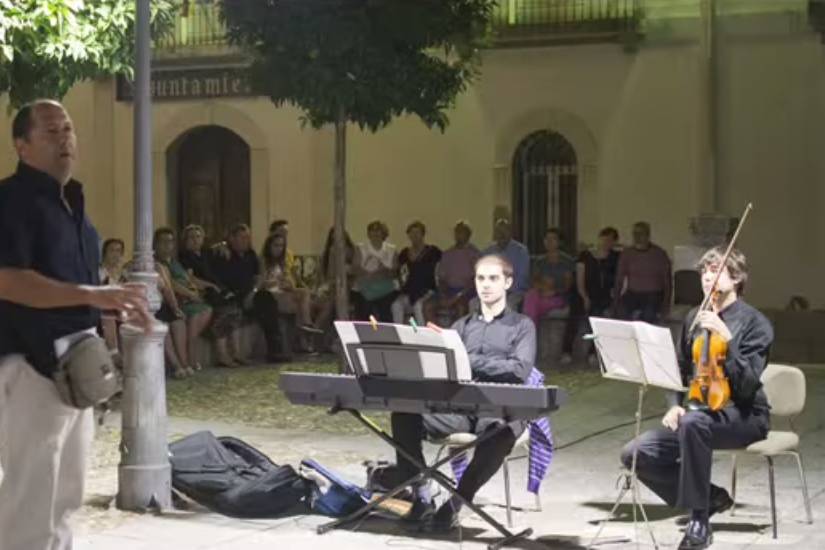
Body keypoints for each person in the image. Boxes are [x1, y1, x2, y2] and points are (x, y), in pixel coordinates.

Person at [0, 99, 150, 550]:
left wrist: (113, 306)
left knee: (66, 495)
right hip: (30, 365)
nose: (65, 138)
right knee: (31, 496)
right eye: (51, 131)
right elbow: (8, 279)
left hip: (77, 370)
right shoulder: (11, 200)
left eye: (68, 129)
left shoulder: (78, 209)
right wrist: (93, 295)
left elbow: (78, 290)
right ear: (21, 145)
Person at [620, 246, 772, 550]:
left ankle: (698, 520)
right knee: (635, 453)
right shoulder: (694, 318)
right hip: (697, 414)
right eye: (704, 271)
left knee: (695, 422)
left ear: (737, 277)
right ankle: (711, 496)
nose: (707, 277)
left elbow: (746, 386)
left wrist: (728, 342)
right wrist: (675, 406)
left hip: (743, 416)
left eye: (715, 270)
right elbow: (678, 371)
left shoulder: (756, 323)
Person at [391, 254, 536, 531]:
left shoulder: (522, 326)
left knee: (501, 431)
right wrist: (430, 349)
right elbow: (447, 368)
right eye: (480, 278)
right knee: (403, 414)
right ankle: (422, 495)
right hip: (460, 408)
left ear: (508, 282)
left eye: (493, 278)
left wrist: (467, 360)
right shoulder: (462, 326)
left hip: (500, 408)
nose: (486, 285)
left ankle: (456, 502)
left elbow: (519, 369)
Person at [179, 224, 245, 365]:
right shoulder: (185, 256)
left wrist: (223, 245)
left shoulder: (205, 253)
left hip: (216, 289)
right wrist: (210, 285)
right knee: (224, 312)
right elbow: (190, 279)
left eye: (198, 237)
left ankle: (236, 352)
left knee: (236, 309)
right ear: (185, 240)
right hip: (204, 290)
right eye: (191, 237)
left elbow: (218, 246)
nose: (195, 240)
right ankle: (222, 355)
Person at [153, 227, 214, 371]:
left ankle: (188, 360)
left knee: (205, 311)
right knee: (194, 315)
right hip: (176, 300)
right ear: (155, 244)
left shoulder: (174, 261)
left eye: (170, 242)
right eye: (163, 242)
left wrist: (208, 286)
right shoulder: (157, 263)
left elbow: (188, 278)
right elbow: (171, 285)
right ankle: (186, 361)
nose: (167, 245)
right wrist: (191, 295)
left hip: (185, 299)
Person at [259, 233, 322, 348]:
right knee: (299, 305)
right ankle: (304, 335)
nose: (279, 249)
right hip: (269, 295)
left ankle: (306, 324)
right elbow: (261, 283)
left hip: (283, 292)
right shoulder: (263, 261)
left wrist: (288, 284)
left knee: (304, 292)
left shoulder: (281, 262)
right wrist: (275, 282)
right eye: (276, 245)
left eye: (281, 246)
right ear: (269, 246)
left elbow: (290, 283)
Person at [523, 228, 575, 359]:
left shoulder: (566, 261)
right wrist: (544, 287)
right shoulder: (539, 261)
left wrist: (553, 290)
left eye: (553, 239)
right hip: (541, 296)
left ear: (559, 242)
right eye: (547, 239)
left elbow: (567, 285)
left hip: (558, 297)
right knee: (532, 296)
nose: (549, 242)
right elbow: (534, 281)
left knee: (531, 303)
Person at [571, 226, 620, 365]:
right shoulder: (585, 256)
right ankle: (567, 350)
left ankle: (594, 352)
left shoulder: (615, 258)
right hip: (584, 292)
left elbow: (619, 278)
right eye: (604, 239)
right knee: (576, 311)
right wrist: (585, 296)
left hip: (603, 295)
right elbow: (580, 279)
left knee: (601, 313)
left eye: (611, 240)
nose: (606, 242)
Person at [614, 221, 672, 324]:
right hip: (633, 293)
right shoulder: (627, 254)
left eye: (641, 233)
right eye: (635, 234)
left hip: (653, 294)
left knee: (648, 315)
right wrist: (616, 300)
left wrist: (666, 304)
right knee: (622, 311)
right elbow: (619, 278)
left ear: (648, 235)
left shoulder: (659, 254)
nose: (637, 237)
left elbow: (667, 281)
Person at [425, 220, 479, 323]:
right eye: (457, 232)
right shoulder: (447, 254)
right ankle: (437, 336)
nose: (459, 235)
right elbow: (441, 279)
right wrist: (443, 294)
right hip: (448, 290)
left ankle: (457, 337)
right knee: (428, 306)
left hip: (466, 292)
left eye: (462, 232)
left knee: (460, 308)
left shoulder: (474, 254)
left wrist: (456, 297)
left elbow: (474, 281)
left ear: (468, 235)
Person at [391, 220, 441, 325]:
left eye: (417, 233)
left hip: (427, 291)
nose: (414, 235)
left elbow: (441, 269)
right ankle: (399, 335)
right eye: (411, 233)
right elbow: (398, 270)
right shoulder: (404, 253)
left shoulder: (432, 251)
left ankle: (421, 336)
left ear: (423, 234)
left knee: (418, 306)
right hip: (408, 291)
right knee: (396, 305)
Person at [353, 220, 398, 322]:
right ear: (368, 233)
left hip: (385, 287)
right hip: (364, 285)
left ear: (383, 233)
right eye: (372, 230)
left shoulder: (392, 249)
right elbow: (355, 268)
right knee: (364, 303)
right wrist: (369, 275)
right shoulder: (360, 247)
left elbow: (394, 272)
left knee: (386, 306)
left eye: (378, 230)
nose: (375, 233)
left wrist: (383, 271)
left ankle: (385, 333)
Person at [483, 218, 530, 308]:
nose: (502, 234)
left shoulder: (521, 251)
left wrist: (504, 291)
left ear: (510, 232)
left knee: (507, 305)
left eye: (505, 231)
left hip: (514, 292)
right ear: (495, 233)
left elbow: (522, 278)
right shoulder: (488, 252)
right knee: (473, 304)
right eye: (499, 231)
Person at [99, 238, 128, 351]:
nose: (116, 254)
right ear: (104, 253)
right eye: (112, 250)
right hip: (102, 308)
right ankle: (114, 351)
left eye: (119, 251)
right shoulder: (99, 271)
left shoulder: (124, 273)